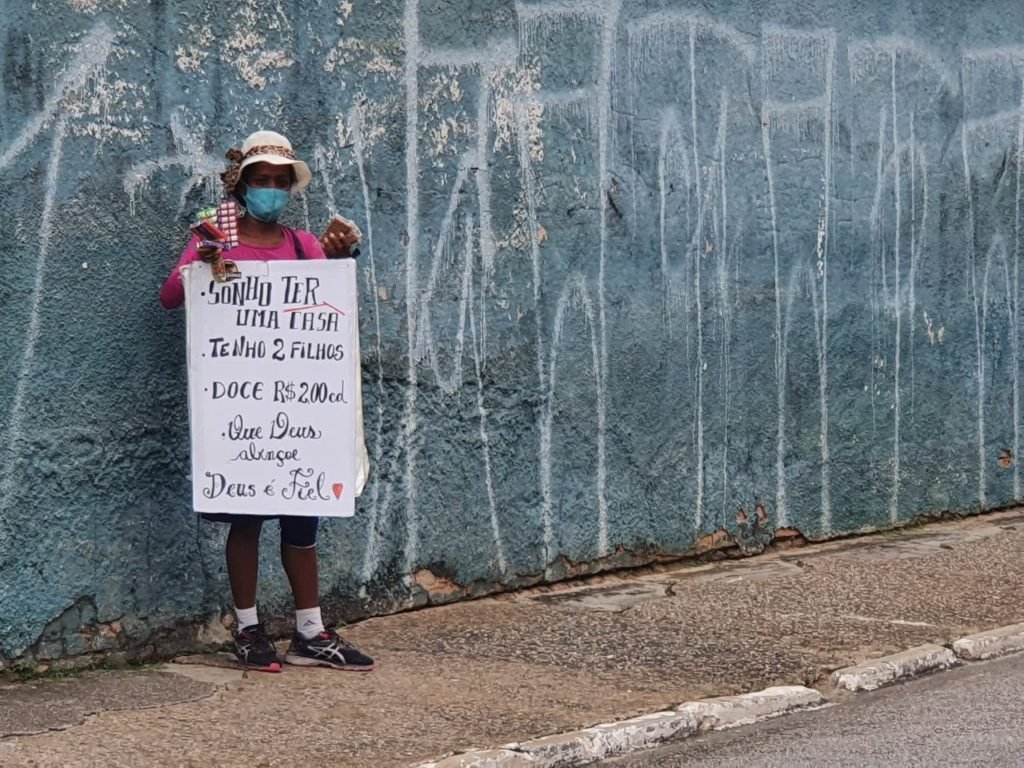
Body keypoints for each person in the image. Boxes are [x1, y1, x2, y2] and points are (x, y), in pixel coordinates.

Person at [160, 130, 373, 673]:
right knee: (249, 518)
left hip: (298, 409)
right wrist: (203, 261)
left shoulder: (303, 245)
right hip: (242, 409)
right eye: (263, 181)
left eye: (281, 182)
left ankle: (309, 631)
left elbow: (323, 317)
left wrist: (338, 257)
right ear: (243, 184)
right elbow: (170, 297)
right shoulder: (216, 238)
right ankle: (250, 630)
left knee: (304, 522)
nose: (272, 190)